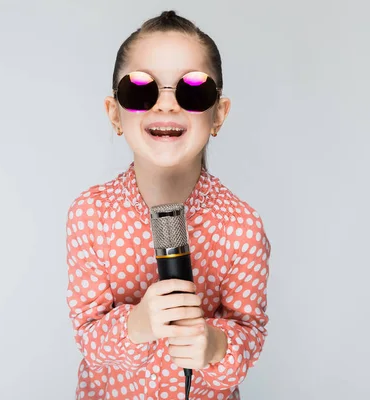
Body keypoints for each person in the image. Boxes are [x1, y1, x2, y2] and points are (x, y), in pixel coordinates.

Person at [65, 10, 271, 400]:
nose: (166, 106)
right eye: (141, 90)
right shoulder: (90, 215)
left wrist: (215, 346)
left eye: (192, 91)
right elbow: (87, 335)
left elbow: (250, 331)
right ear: (115, 114)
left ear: (218, 114)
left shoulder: (241, 226)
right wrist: (137, 324)